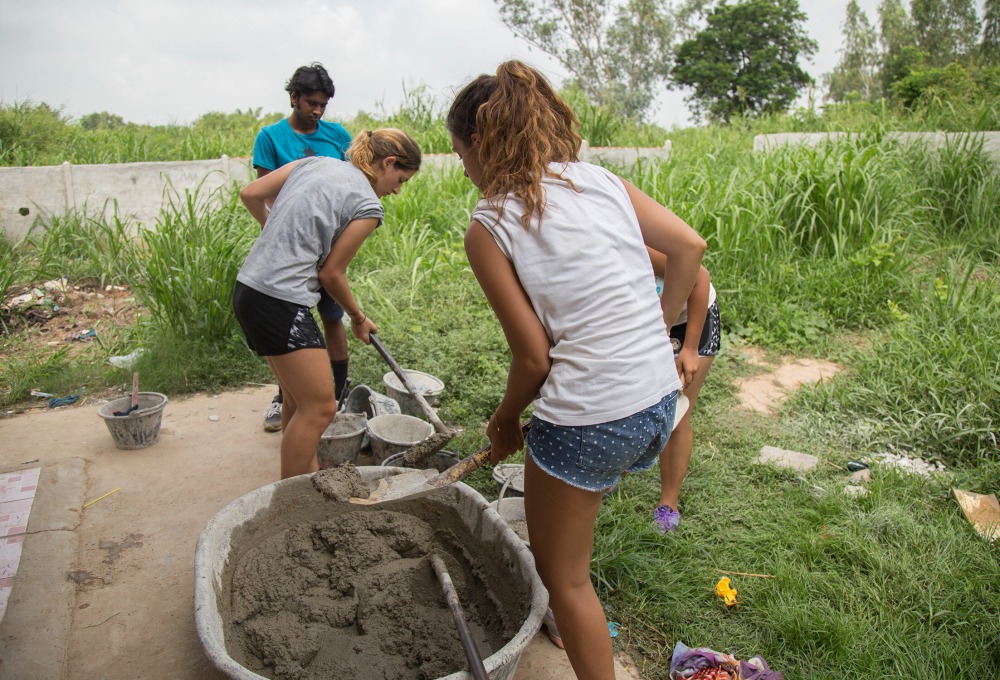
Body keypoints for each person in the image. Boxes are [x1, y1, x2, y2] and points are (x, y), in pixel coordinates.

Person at [447, 61, 705, 680]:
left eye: (460, 154)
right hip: (659, 405)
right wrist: (655, 327)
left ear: (483, 143)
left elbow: (534, 360)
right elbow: (689, 247)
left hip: (594, 420)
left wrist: (505, 420)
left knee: (565, 580)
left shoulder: (489, 224)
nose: (461, 170)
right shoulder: (601, 181)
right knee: (578, 522)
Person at [234, 128, 421, 479]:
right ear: (389, 162)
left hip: (249, 289)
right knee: (320, 409)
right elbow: (331, 274)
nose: (397, 189)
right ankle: (291, 505)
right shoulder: (368, 204)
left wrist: (272, 228)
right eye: (401, 179)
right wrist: (358, 317)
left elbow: (250, 193)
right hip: (280, 299)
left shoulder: (313, 163)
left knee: (297, 402)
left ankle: (308, 478)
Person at [252, 62, 354, 432]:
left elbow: (349, 186)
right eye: (311, 102)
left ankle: (339, 394)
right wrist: (272, 232)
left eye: (323, 104)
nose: (317, 110)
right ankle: (286, 398)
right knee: (290, 328)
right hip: (290, 252)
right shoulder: (271, 138)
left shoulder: (338, 135)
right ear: (293, 97)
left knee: (332, 316)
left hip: (327, 245)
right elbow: (266, 196)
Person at [646, 249, 720, 533]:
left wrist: (689, 348)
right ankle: (610, 477)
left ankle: (668, 504)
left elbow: (699, 277)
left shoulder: (636, 235)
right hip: (650, 323)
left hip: (690, 322)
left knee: (676, 411)